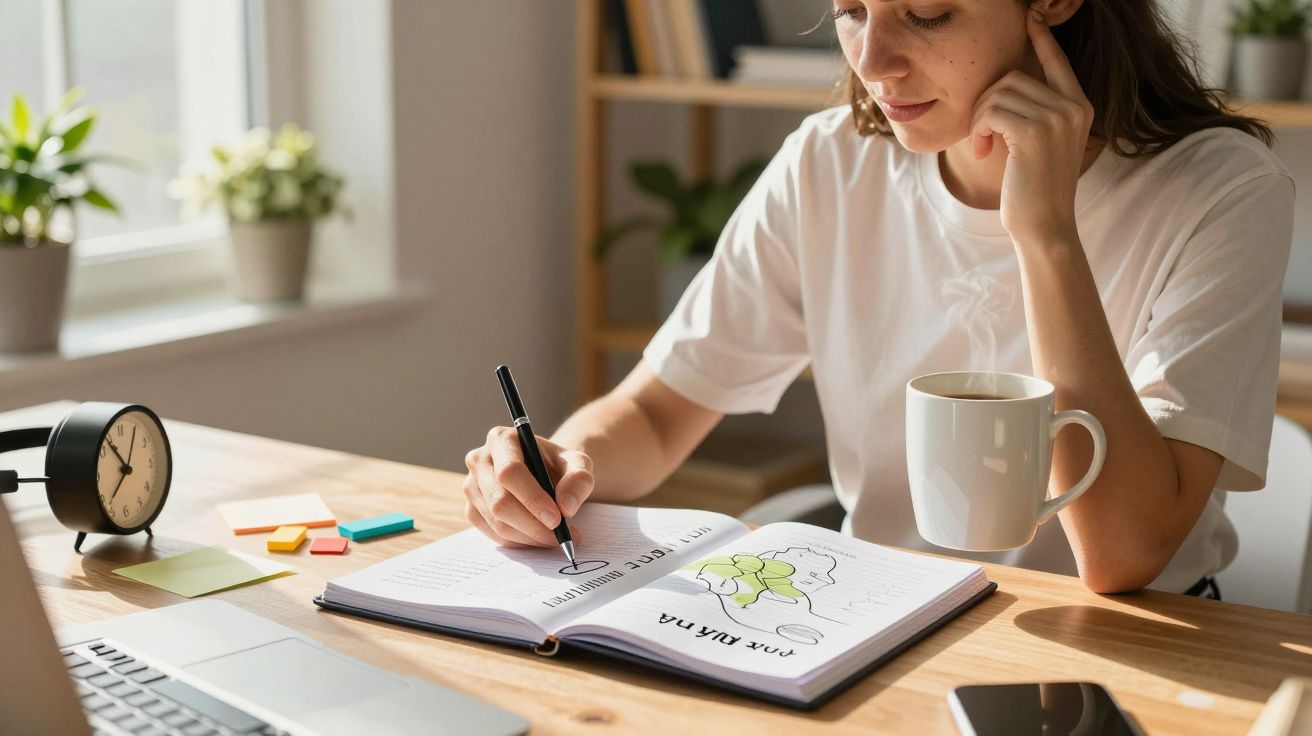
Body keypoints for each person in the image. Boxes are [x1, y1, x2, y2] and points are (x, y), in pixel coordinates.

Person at [464, 0, 1295, 595]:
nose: (872, 61)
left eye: (926, 14)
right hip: (884, 622)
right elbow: (654, 415)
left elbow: (1123, 556)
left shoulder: (1221, 192)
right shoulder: (828, 163)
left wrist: (1045, 234)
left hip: (1130, 649)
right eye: (852, 9)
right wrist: (560, 467)